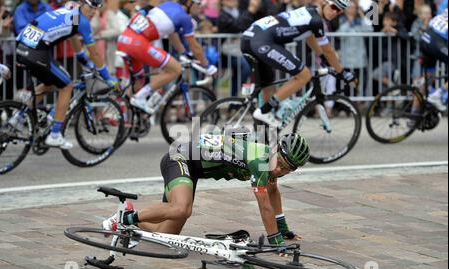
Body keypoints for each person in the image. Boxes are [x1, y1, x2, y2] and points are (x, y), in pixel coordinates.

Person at [103, 131, 309, 245]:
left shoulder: (269, 164)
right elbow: (265, 206)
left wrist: (283, 230)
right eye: (280, 163)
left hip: (192, 168)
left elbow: (273, 192)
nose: (280, 169)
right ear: (276, 151)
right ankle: (121, 220)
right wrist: (275, 241)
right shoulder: (260, 161)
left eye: (287, 169)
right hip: (179, 158)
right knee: (182, 209)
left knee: (166, 236)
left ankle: (129, 215)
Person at [15, 0, 118, 149]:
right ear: (82, 3)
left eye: (96, 8)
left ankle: (17, 117)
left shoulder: (73, 11)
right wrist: (108, 77)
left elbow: (72, 34)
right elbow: (95, 54)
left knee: (50, 84)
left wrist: (81, 56)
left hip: (22, 47)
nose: (93, 12)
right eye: (91, 7)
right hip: (36, 52)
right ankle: (55, 135)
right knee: (67, 86)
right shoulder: (82, 21)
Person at [240, 0, 357, 128]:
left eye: (340, 11)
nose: (335, 12)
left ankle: (264, 134)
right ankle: (263, 112)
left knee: (268, 88)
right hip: (261, 42)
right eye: (334, 7)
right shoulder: (316, 21)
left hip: (250, 39)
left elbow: (309, 37)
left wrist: (322, 57)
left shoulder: (310, 12)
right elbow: (329, 51)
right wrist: (342, 72)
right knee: (304, 75)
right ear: (324, 2)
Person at [116, 0, 218, 114]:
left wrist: (183, 53)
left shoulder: (169, 5)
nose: (201, 7)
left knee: (138, 81)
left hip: (124, 40)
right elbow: (194, 46)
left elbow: (172, 33)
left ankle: (127, 119)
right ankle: (140, 97)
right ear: (189, 3)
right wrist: (207, 66)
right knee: (176, 69)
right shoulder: (185, 18)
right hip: (138, 43)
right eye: (198, 3)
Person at [415, 8, 448, 113]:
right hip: (436, 43)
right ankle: (437, 95)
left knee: (429, 76)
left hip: (426, 38)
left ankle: (414, 114)